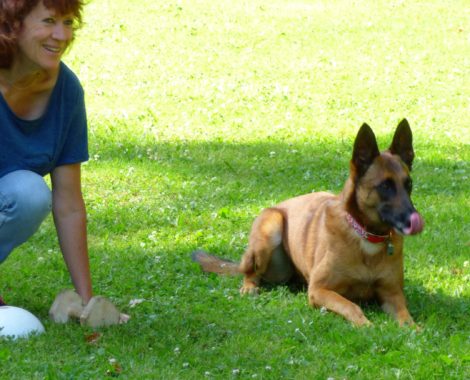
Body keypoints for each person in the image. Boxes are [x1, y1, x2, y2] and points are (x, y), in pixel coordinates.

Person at [0, 0, 95, 311]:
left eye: (68, 23)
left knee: (29, 194)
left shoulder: (66, 91)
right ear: (13, 24)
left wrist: (86, 301)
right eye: (49, 20)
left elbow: (68, 204)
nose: (61, 35)